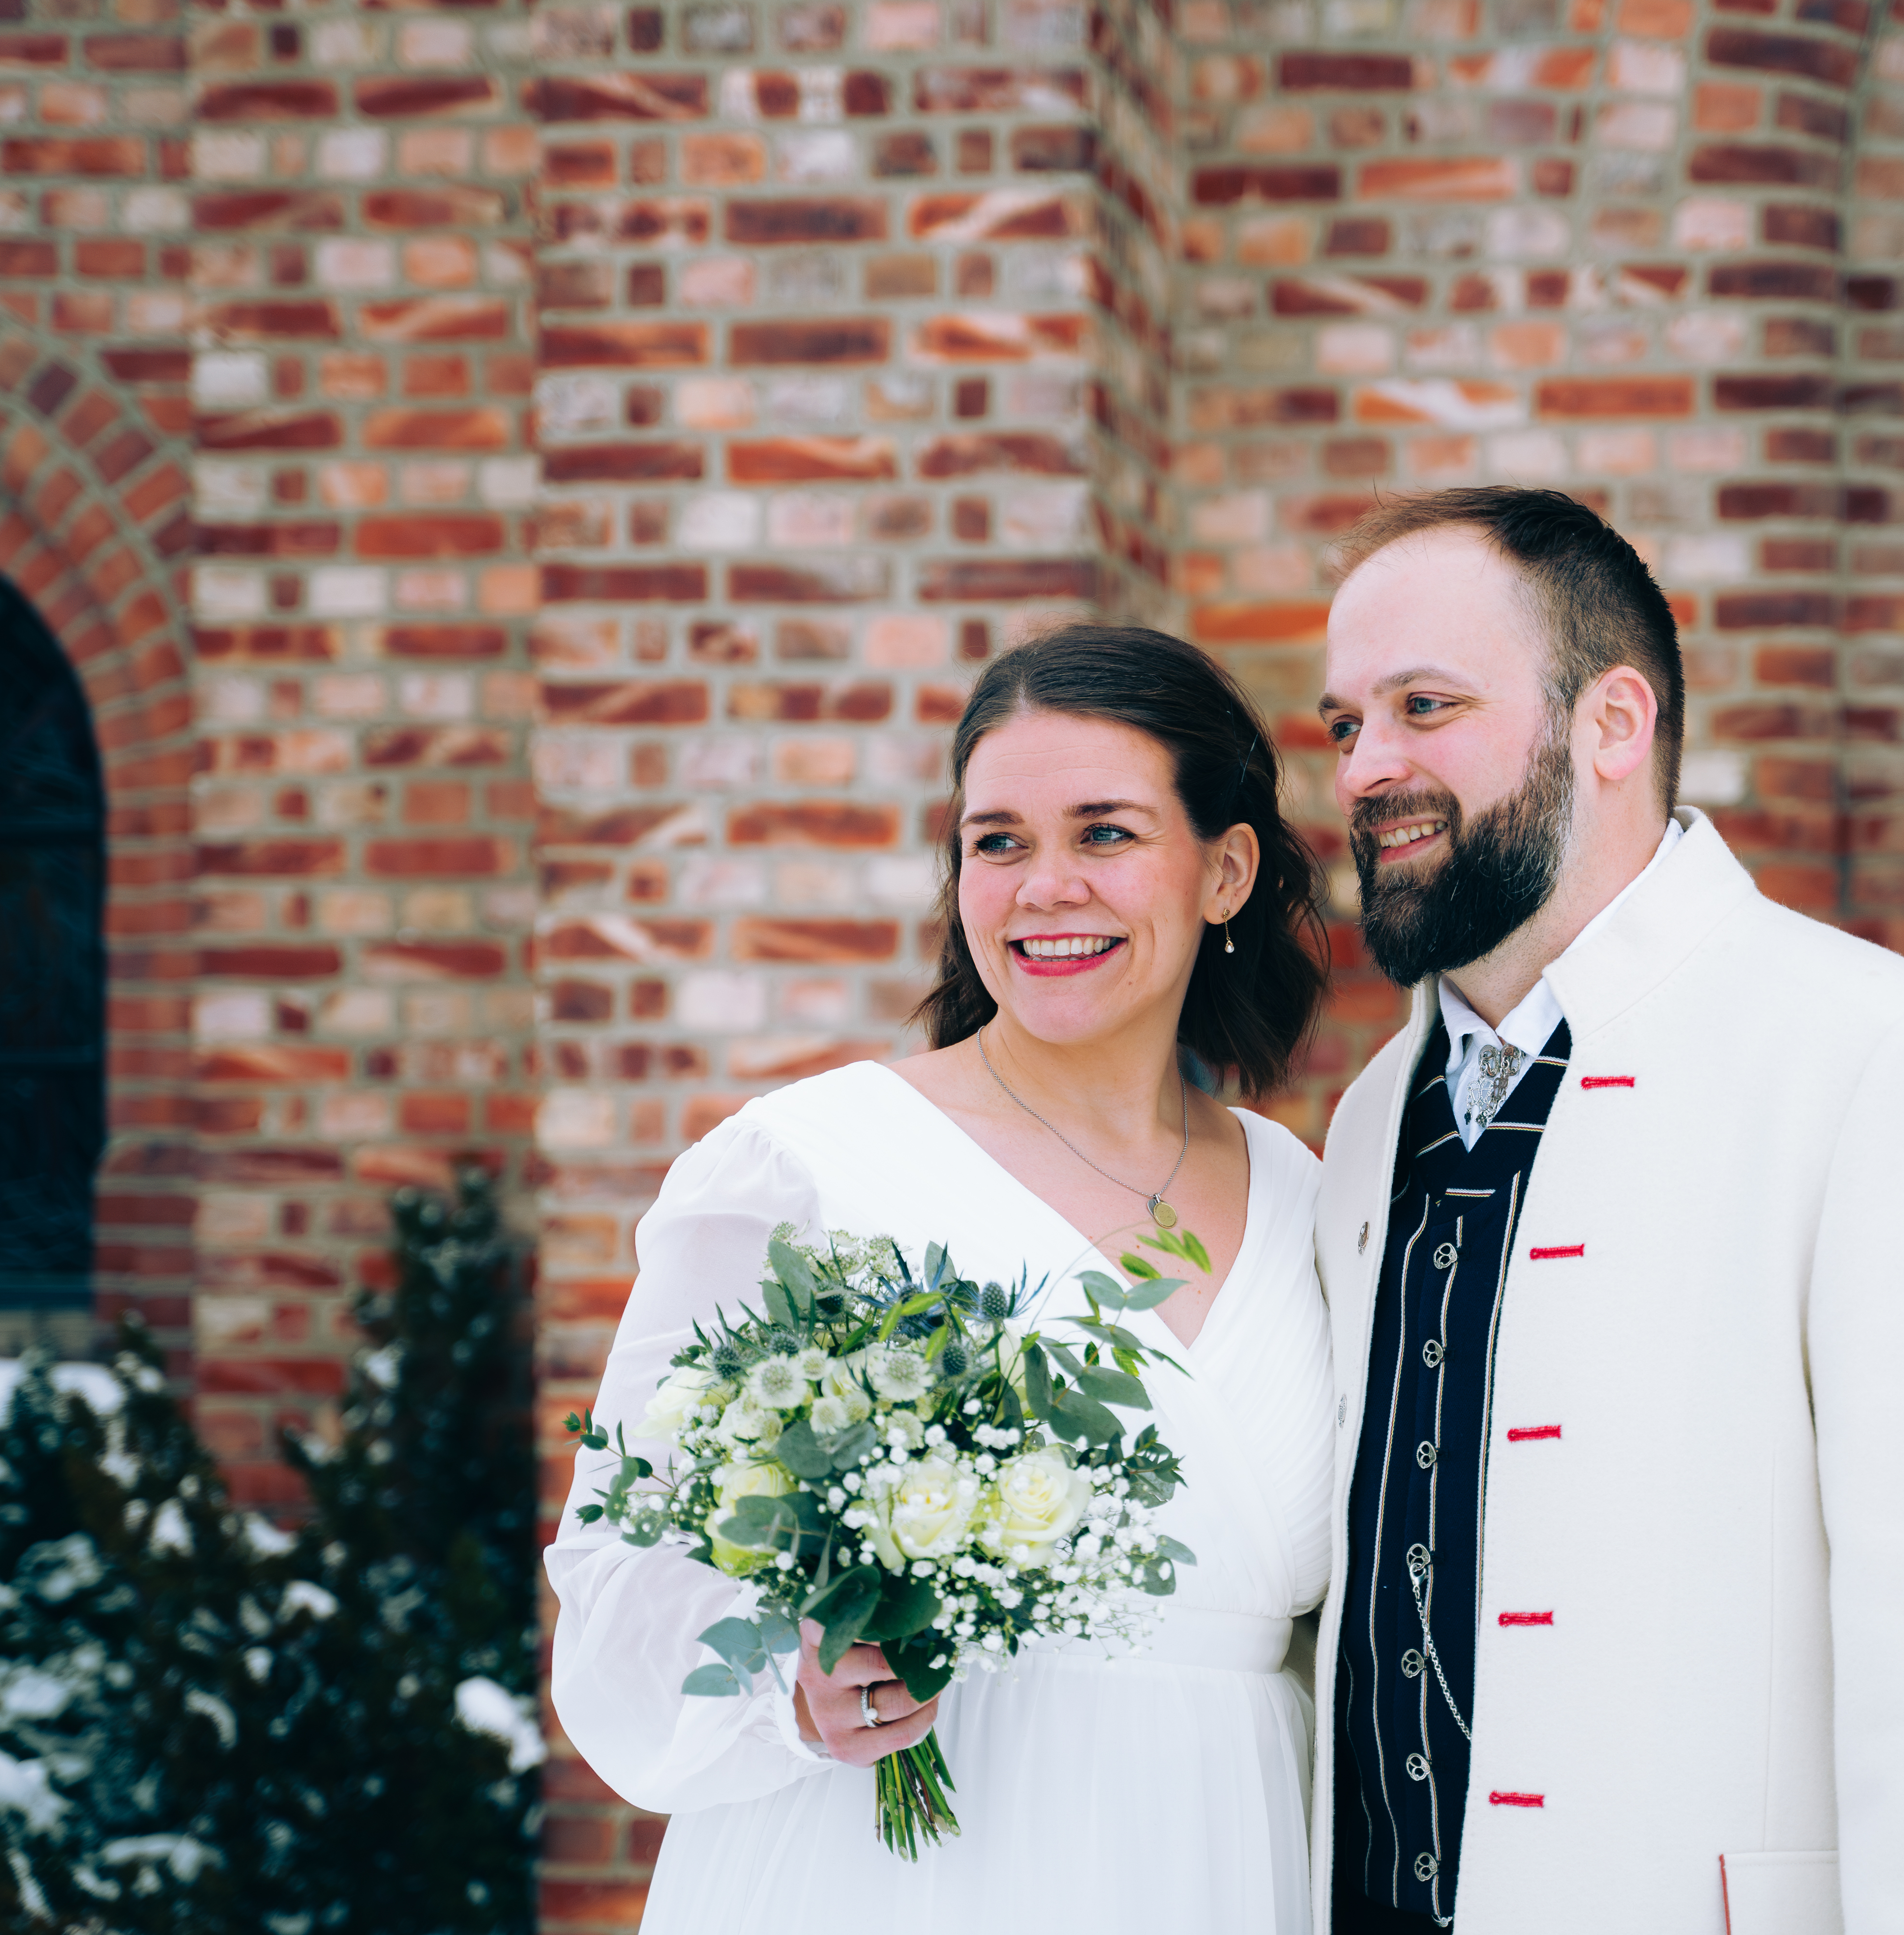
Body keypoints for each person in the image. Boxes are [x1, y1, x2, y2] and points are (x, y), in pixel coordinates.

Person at [1309, 488, 1904, 1935]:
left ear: (1611, 725)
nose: (1368, 768)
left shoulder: (1889, 1065)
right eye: (1343, 726)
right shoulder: (1373, 1115)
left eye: (1424, 706)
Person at [547, 624, 1338, 1932]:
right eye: (999, 841)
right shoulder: (809, 1171)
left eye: (1105, 834)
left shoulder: (1316, 1199)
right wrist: (793, 1683)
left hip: (1223, 1861)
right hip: (890, 1877)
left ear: (1226, 870)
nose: (1043, 888)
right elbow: (621, 1584)